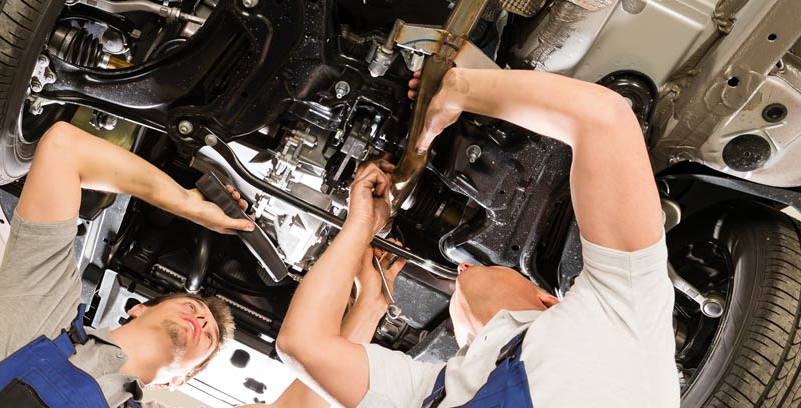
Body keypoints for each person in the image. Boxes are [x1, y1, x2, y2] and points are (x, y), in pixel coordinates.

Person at [275, 67, 678, 407]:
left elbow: (303, 346)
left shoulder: (433, 392)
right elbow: (605, 119)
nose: (460, 266)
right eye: (483, 263)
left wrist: (359, 224)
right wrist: (460, 90)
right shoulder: (621, 310)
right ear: (547, 298)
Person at [0, 121, 257, 407]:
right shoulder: (46, 308)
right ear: (137, 310)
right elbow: (63, 149)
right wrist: (184, 202)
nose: (199, 320)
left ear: (179, 381)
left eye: (208, 335)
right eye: (194, 307)